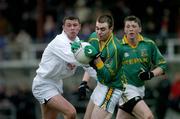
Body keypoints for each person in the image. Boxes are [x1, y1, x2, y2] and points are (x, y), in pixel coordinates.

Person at [71, 14, 124, 119]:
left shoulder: (116, 48)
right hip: (100, 84)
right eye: (97, 28)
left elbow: (108, 77)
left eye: (103, 29)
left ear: (111, 29)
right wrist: (84, 82)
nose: (99, 32)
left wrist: (96, 58)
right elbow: (90, 63)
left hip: (111, 88)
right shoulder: (93, 37)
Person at [115, 15, 168, 119]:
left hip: (140, 89)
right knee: (148, 116)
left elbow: (163, 65)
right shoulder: (118, 47)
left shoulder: (149, 44)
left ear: (140, 29)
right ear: (124, 29)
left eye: (134, 26)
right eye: (128, 26)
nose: (131, 28)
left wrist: (150, 74)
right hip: (125, 89)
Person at [32, 15, 83, 119]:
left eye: (75, 25)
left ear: (79, 27)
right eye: (69, 25)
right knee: (71, 112)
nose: (72, 28)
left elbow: (79, 61)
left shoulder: (78, 42)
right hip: (43, 84)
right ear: (63, 27)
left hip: (56, 84)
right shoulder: (59, 41)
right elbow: (73, 59)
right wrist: (94, 58)